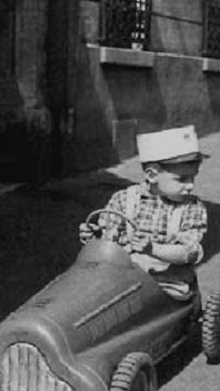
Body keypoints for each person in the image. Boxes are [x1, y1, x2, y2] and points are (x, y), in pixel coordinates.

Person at [79, 125, 208, 298]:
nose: (190, 185)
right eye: (182, 179)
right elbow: (109, 242)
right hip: (121, 279)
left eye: (193, 177)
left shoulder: (191, 208)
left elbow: (189, 252)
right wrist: (95, 238)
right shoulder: (124, 199)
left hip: (167, 284)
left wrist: (152, 248)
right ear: (152, 175)